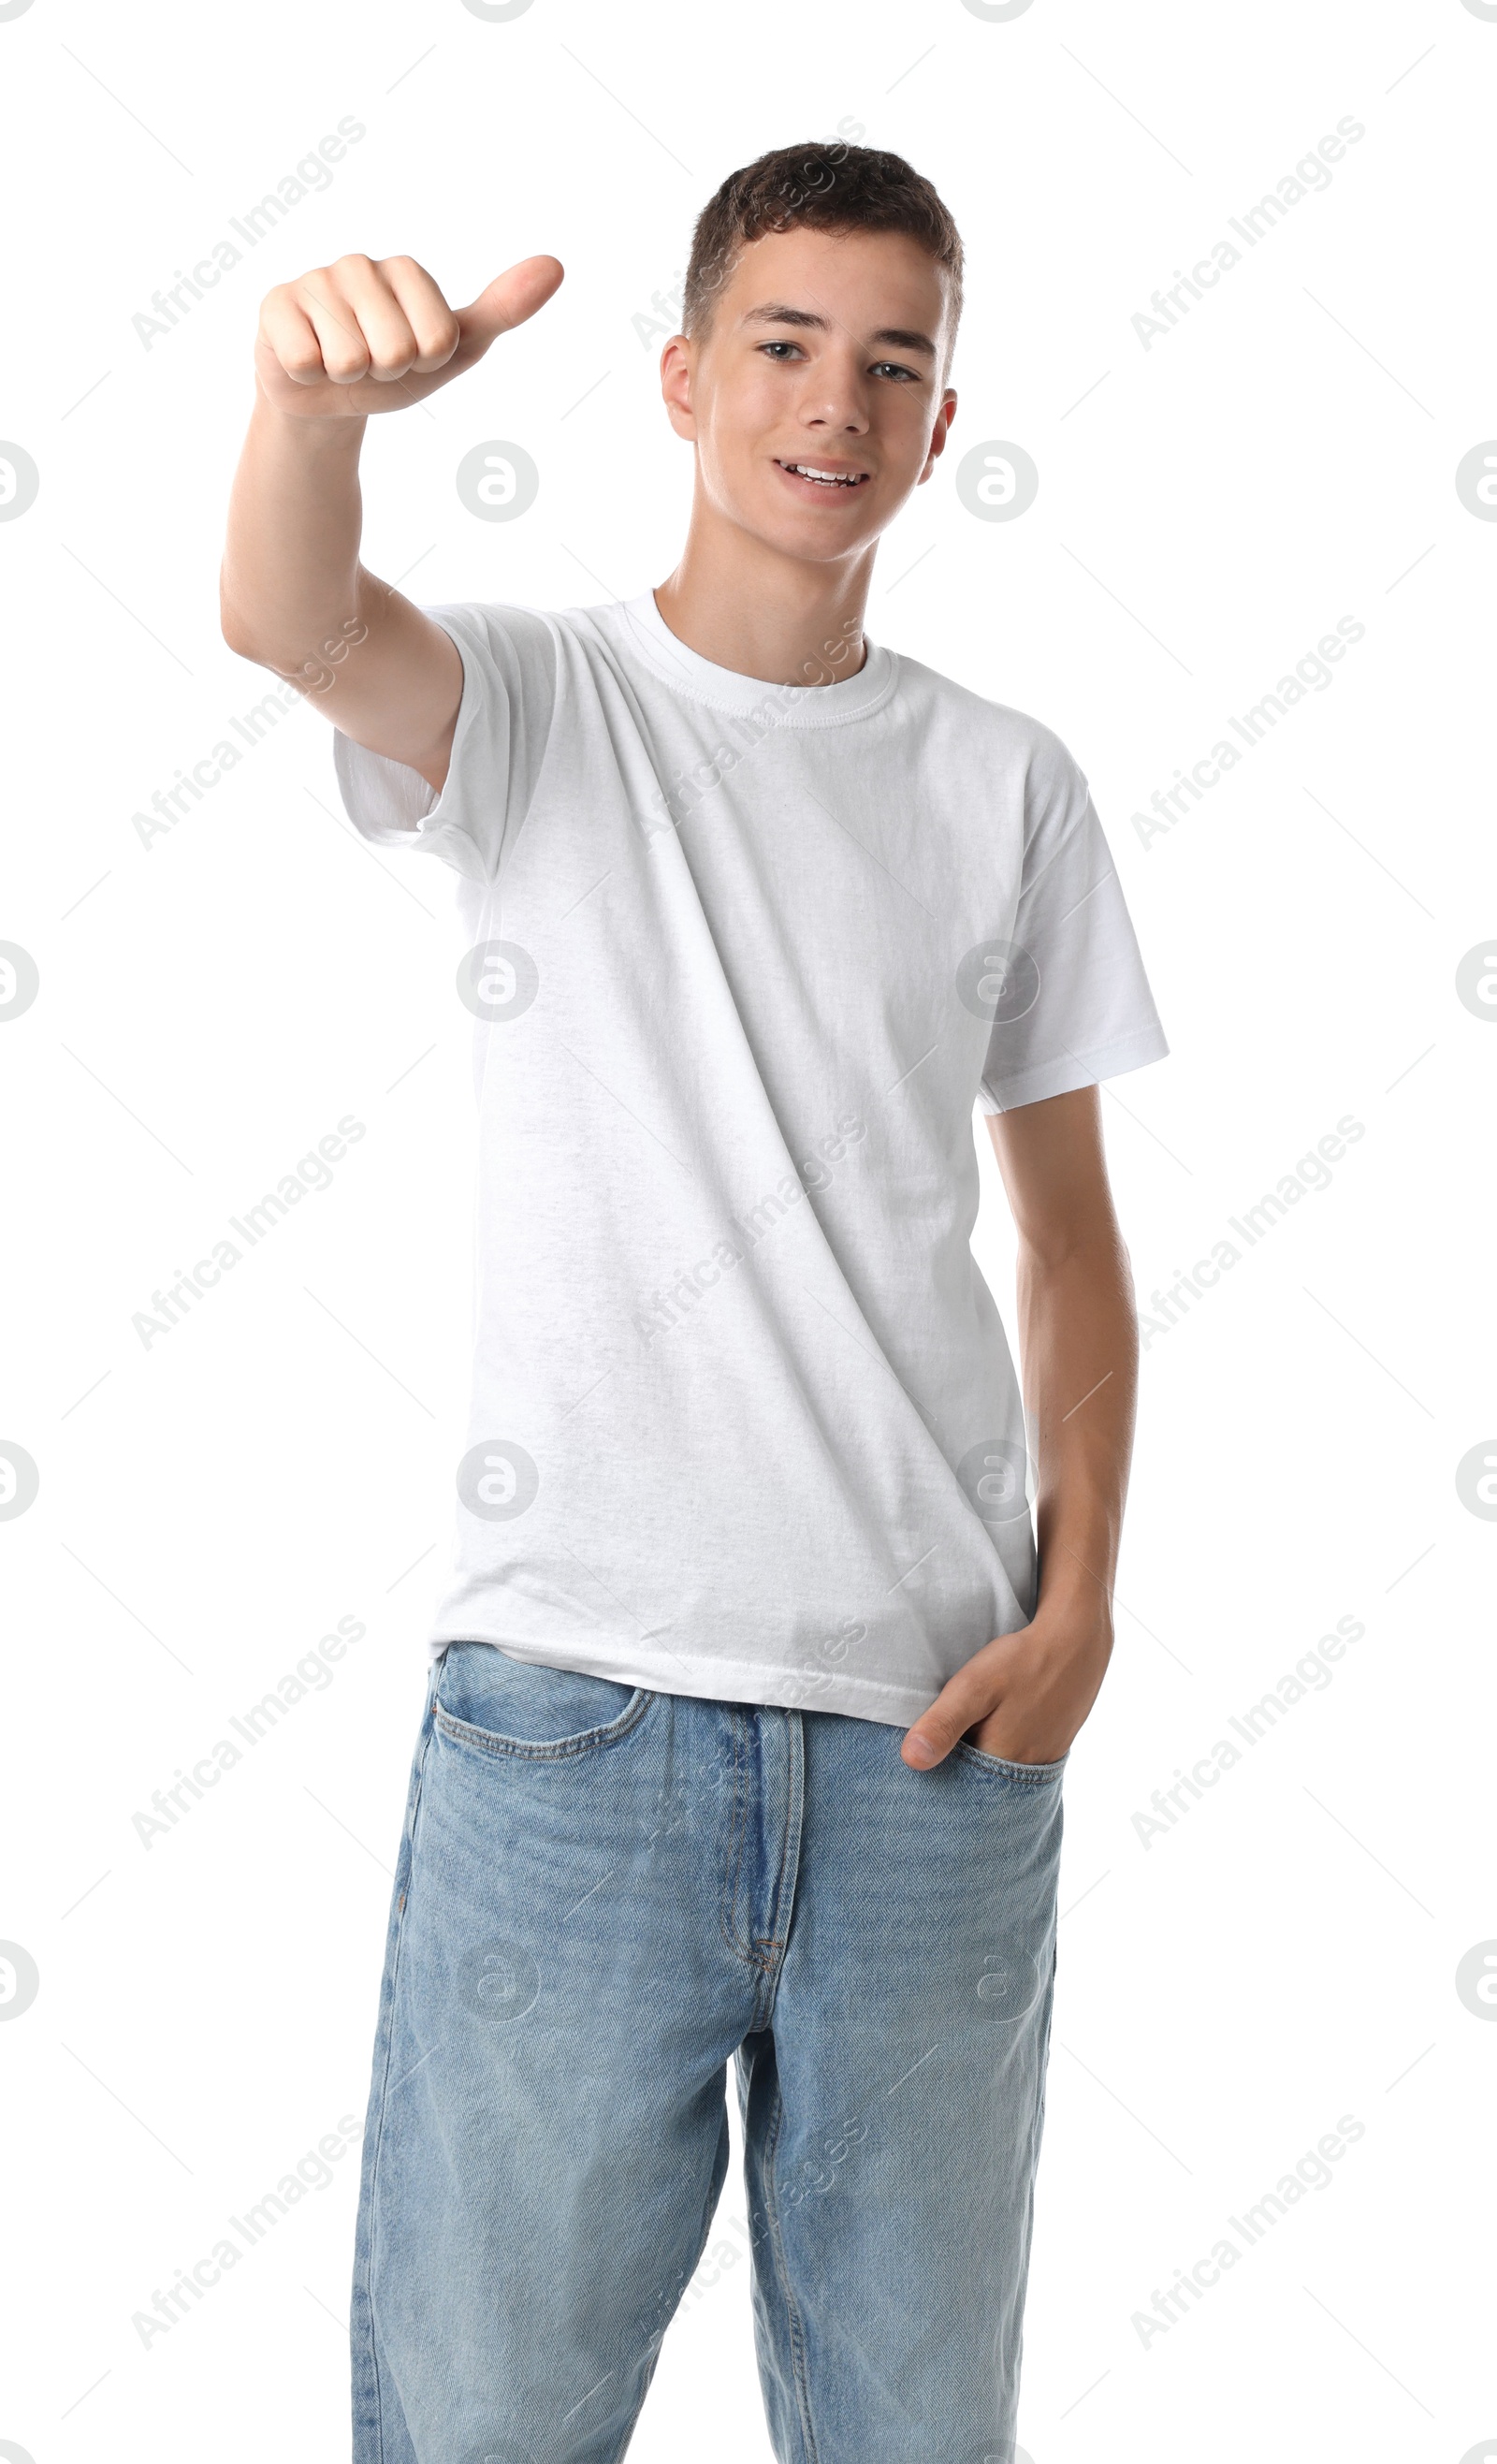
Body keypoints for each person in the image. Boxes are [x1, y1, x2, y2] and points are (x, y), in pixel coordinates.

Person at [220, 139, 1168, 2464]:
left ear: (942, 425)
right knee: (479, 2421)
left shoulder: (1004, 784)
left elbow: (1065, 1245)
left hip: (935, 1750)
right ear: (677, 376)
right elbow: (291, 618)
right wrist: (312, 403)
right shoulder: (539, 707)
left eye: (892, 361)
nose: (831, 402)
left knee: (912, 2433)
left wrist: (1085, 1614)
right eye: (780, 342)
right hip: (574, 1736)